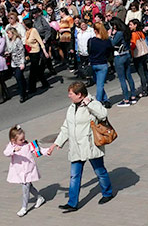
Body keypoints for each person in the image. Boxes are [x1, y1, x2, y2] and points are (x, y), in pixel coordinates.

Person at [47, 81, 114, 211]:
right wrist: (57, 143)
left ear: (79, 95)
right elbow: (66, 127)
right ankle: (72, 203)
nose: (69, 96)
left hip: (90, 145)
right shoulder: (72, 107)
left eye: (71, 93)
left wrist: (89, 104)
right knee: (74, 176)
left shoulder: (93, 103)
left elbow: (103, 114)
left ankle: (107, 193)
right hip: (76, 147)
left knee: (100, 171)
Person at [3, 125, 47, 217]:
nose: (23, 141)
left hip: (28, 170)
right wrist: (14, 150)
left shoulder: (27, 145)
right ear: (13, 140)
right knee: (29, 187)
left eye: (24, 138)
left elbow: (39, 150)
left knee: (25, 189)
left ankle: (24, 207)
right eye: (21, 140)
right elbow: (6, 153)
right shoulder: (11, 146)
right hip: (19, 172)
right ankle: (40, 198)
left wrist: (47, 151)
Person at [109, 17, 137, 107]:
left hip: (119, 56)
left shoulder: (119, 33)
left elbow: (112, 43)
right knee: (128, 76)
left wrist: (110, 35)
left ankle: (126, 99)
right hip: (127, 54)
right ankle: (133, 96)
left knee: (122, 78)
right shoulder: (126, 31)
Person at [87, 22, 113, 108]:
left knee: (99, 84)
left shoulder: (91, 41)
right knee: (100, 84)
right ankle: (104, 100)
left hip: (93, 63)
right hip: (102, 63)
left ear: (95, 30)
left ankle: (99, 102)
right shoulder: (106, 41)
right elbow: (109, 52)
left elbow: (89, 51)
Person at [23, 18, 50, 96]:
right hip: (30, 53)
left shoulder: (34, 31)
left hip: (35, 52)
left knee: (32, 71)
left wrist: (45, 52)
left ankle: (32, 88)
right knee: (37, 70)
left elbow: (40, 41)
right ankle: (45, 83)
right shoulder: (27, 32)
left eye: (23, 24)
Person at [128, 19, 148, 97]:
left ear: (135, 25)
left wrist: (130, 47)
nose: (129, 26)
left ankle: (144, 90)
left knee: (141, 73)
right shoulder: (140, 33)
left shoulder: (133, 34)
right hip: (144, 53)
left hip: (138, 55)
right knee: (146, 71)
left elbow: (133, 45)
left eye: (131, 25)